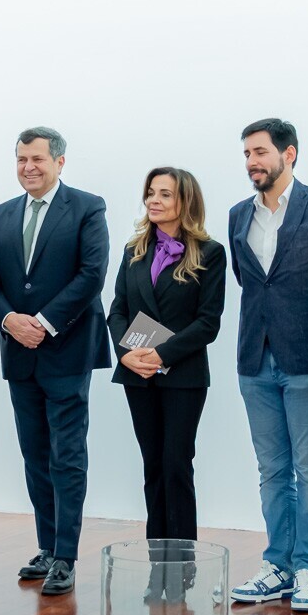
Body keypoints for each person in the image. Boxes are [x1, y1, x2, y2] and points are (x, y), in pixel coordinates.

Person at [227, 118, 308, 611]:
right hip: (255, 360)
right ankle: (277, 565)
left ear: (289, 154)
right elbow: (249, 282)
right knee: (272, 470)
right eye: (247, 154)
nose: (252, 162)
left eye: (260, 152)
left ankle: (307, 569)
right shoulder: (239, 215)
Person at [0, 126, 111, 596]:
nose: (28, 167)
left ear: (59, 162)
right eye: (21, 159)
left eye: (37, 159)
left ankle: (67, 556)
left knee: (66, 456)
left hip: (67, 349)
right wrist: (9, 320)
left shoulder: (88, 207)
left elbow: (92, 274)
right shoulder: (2, 213)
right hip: (19, 351)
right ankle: (47, 546)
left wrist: (44, 322)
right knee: (35, 454)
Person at [107, 167, 226, 548]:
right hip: (137, 374)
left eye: (164, 194)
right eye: (150, 193)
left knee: (176, 464)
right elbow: (117, 311)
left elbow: (208, 323)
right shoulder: (134, 250)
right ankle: (156, 555)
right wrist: (126, 355)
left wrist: (160, 354)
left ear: (185, 201)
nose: (153, 201)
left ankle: (183, 559)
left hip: (183, 375)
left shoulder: (210, 252)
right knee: (153, 465)